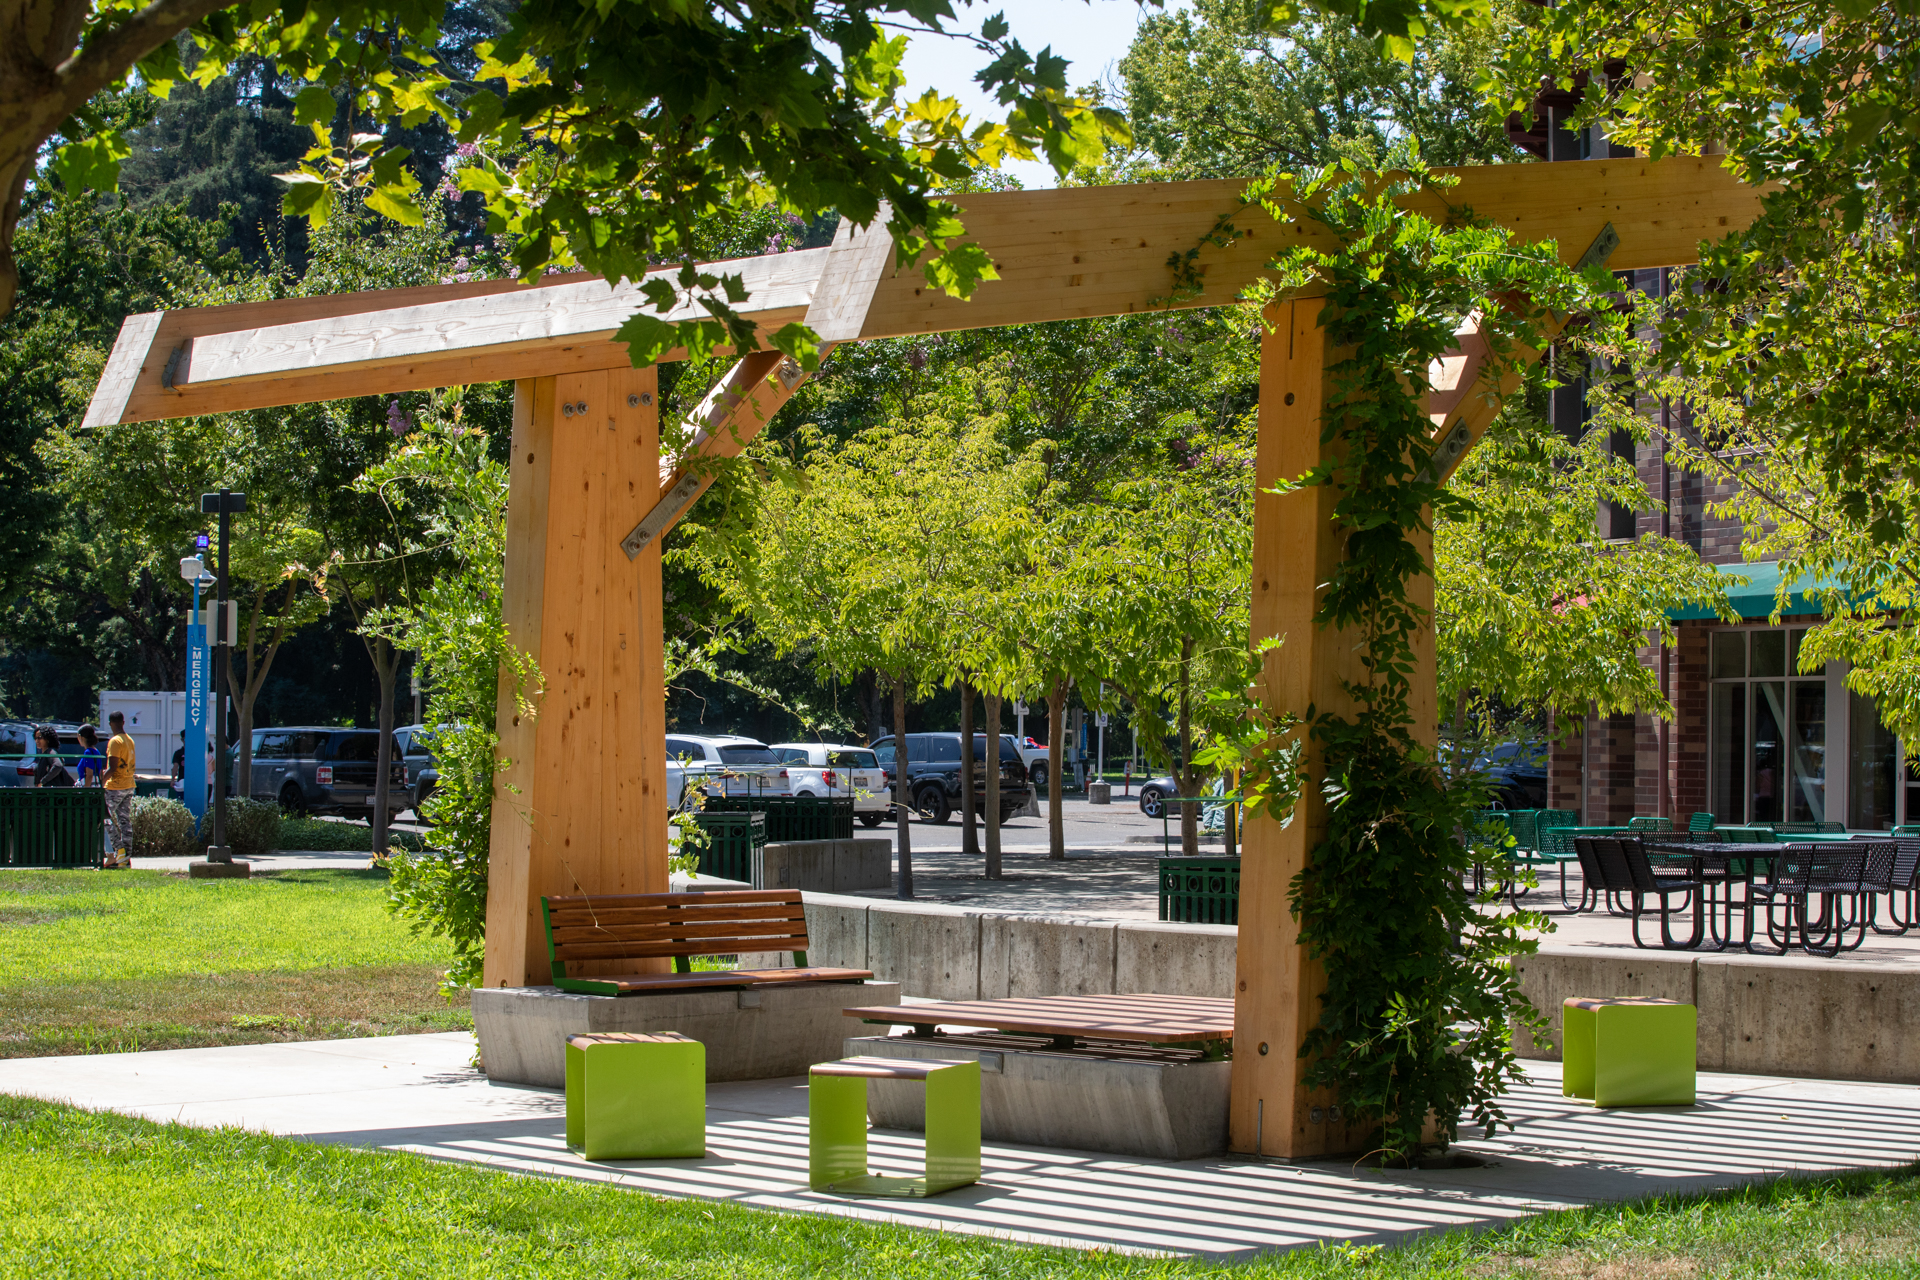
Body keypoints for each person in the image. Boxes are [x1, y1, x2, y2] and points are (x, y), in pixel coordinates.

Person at [103, 712, 136, 869]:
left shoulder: (115, 741)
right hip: (129, 785)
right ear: (123, 722)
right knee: (125, 822)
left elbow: (112, 767)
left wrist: (101, 781)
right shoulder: (129, 740)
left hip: (115, 786)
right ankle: (125, 858)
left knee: (104, 818)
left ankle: (119, 849)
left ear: (110, 723)